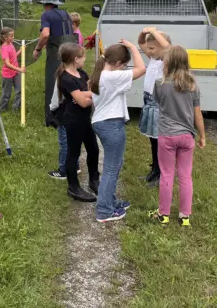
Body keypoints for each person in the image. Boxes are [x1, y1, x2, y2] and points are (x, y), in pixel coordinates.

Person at [90, 40, 146, 223]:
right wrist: (132, 47)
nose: (124, 68)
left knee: (115, 165)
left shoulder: (101, 74)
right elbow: (141, 68)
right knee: (110, 170)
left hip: (105, 122)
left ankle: (111, 201)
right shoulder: (111, 77)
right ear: (117, 64)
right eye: (123, 64)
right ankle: (104, 211)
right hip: (111, 124)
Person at [150, 46, 206, 227]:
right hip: (187, 136)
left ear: (168, 62)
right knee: (185, 176)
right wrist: (202, 135)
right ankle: (185, 216)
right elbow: (198, 114)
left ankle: (163, 214)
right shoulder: (192, 85)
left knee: (167, 175)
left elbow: (159, 103)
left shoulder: (160, 83)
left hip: (167, 135)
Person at [33, 0, 77, 181]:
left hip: (55, 52)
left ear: (45, 4)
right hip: (69, 50)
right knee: (66, 82)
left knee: (52, 83)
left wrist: (37, 48)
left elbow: (45, 34)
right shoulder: (66, 14)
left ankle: (51, 118)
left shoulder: (46, 15)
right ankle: (67, 111)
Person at [54, 43, 100, 202]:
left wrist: (88, 94)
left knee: (94, 150)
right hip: (73, 120)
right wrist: (95, 97)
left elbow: (89, 90)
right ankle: (73, 187)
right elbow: (82, 102)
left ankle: (94, 181)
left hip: (85, 119)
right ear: (75, 59)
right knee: (73, 154)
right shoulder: (65, 77)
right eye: (83, 57)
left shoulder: (81, 73)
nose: (84, 59)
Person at [138, 27, 172, 185]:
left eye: (152, 48)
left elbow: (168, 47)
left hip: (157, 102)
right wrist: (144, 33)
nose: (149, 51)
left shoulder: (166, 61)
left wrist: (154, 31)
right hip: (148, 100)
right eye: (148, 48)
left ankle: (160, 172)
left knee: (159, 139)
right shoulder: (153, 59)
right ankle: (154, 168)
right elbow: (140, 42)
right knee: (153, 138)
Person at [0, 28, 25, 112]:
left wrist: (20, 51)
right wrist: (19, 69)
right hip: (8, 75)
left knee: (20, 90)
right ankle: (1, 109)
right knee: (6, 94)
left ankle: (15, 108)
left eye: (13, 35)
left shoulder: (11, 44)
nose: (13, 37)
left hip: (16, 72)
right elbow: (7, 63)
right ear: (5, 38)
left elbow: (13, 57)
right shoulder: (4, 48)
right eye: (11, 36)